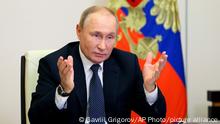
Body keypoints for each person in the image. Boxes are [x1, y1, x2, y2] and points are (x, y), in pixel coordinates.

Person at [28, 5, 168, 124]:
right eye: (96, 35)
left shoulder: (127, 64)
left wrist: (149, 88)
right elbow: (36, 119)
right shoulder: (54, 64)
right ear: (79, 31)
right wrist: (63, 90)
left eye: (109, 37)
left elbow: (155, 118)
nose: (103, 46)